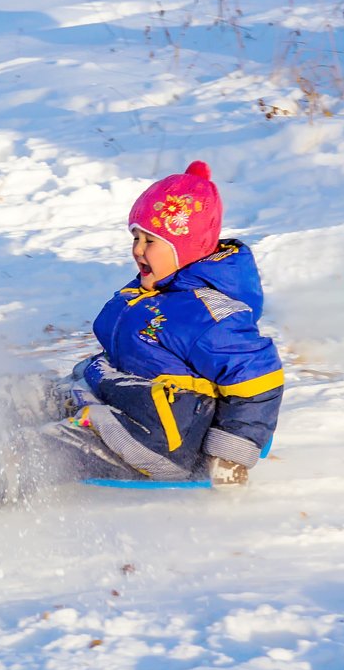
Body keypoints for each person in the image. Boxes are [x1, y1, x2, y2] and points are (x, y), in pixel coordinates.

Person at [49, 160, 283, 486]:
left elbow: (259, 378)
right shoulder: (152, 292)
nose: (137, 250)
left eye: (150, 241)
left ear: (186, 247)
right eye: (135, 238)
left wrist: (230, 456)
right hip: (116, 404)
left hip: (158, 442)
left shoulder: (208, 314)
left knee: (41, 453)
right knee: (26, 396)